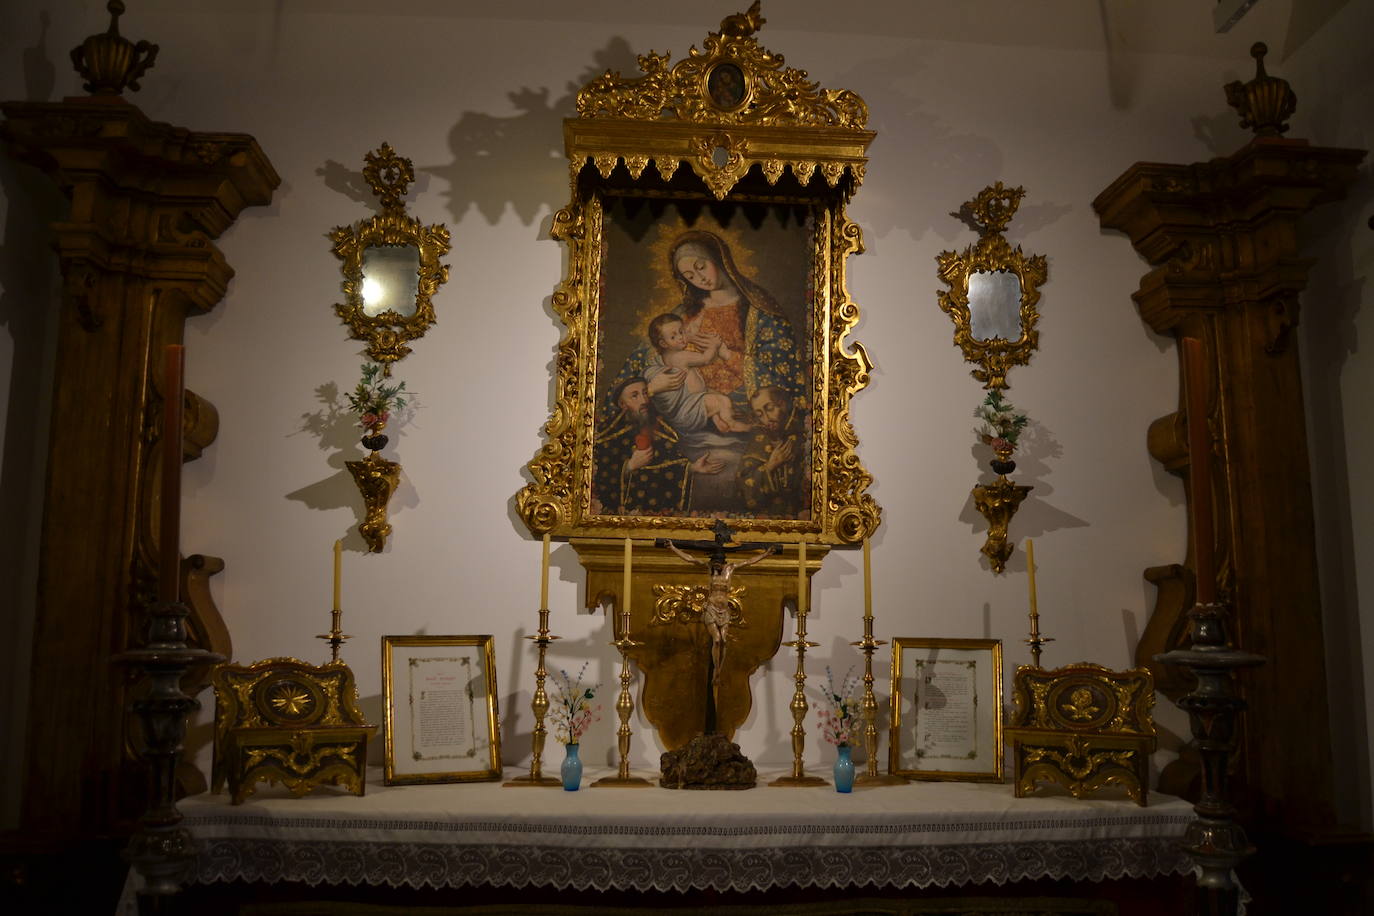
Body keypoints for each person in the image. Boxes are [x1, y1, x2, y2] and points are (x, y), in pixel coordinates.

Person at [602, 229, 804, 512]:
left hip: (745, 410)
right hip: (685, 418)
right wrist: (652, 386)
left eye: (701, 266)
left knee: (735, 467)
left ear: (720, 258)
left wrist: (725, 354)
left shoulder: (761, 311)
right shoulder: (683, 314)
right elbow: (640, 365)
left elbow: (784, 376)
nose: (700, 278)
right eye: (689, 276)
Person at [591, 377, 723, 515]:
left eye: (645, 393)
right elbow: (597, 477)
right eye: (635, 396)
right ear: (622, 404)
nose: (644, 401)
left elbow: (667, 466)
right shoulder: (607, 435)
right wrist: (629, 466)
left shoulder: (663, 429)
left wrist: (691, 468)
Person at [661, 539, 779, 683]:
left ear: (723, 562)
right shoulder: (709, 569)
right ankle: (716, 669)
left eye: (719, 561)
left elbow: (749, 561)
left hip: (724, 610)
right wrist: (673, 548)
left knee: (724, 640)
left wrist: (766, 554)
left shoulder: (730, 569)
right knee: (716, 640)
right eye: (714, 561)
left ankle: (719, 670)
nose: (716, 564)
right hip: (711, 609)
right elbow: (690, 559)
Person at [645, 313, 754, 435]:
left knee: (715, 395)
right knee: (723, 401)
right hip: (691, 407)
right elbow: (706, 358)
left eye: (681, 332)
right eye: (673, 337)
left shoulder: (669, 356)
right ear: (663, 344)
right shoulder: (679, 357)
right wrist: (714, 345)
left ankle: (719, 421)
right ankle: (732, 424)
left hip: (695, 401)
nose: (681, 337)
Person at [737, 386, 805, 516]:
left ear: (783, 404)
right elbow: (744, 483)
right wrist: (770, 466)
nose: (766, 418)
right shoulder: (759, 438)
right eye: (759, 414)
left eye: (769, 408)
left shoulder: (805, 431)